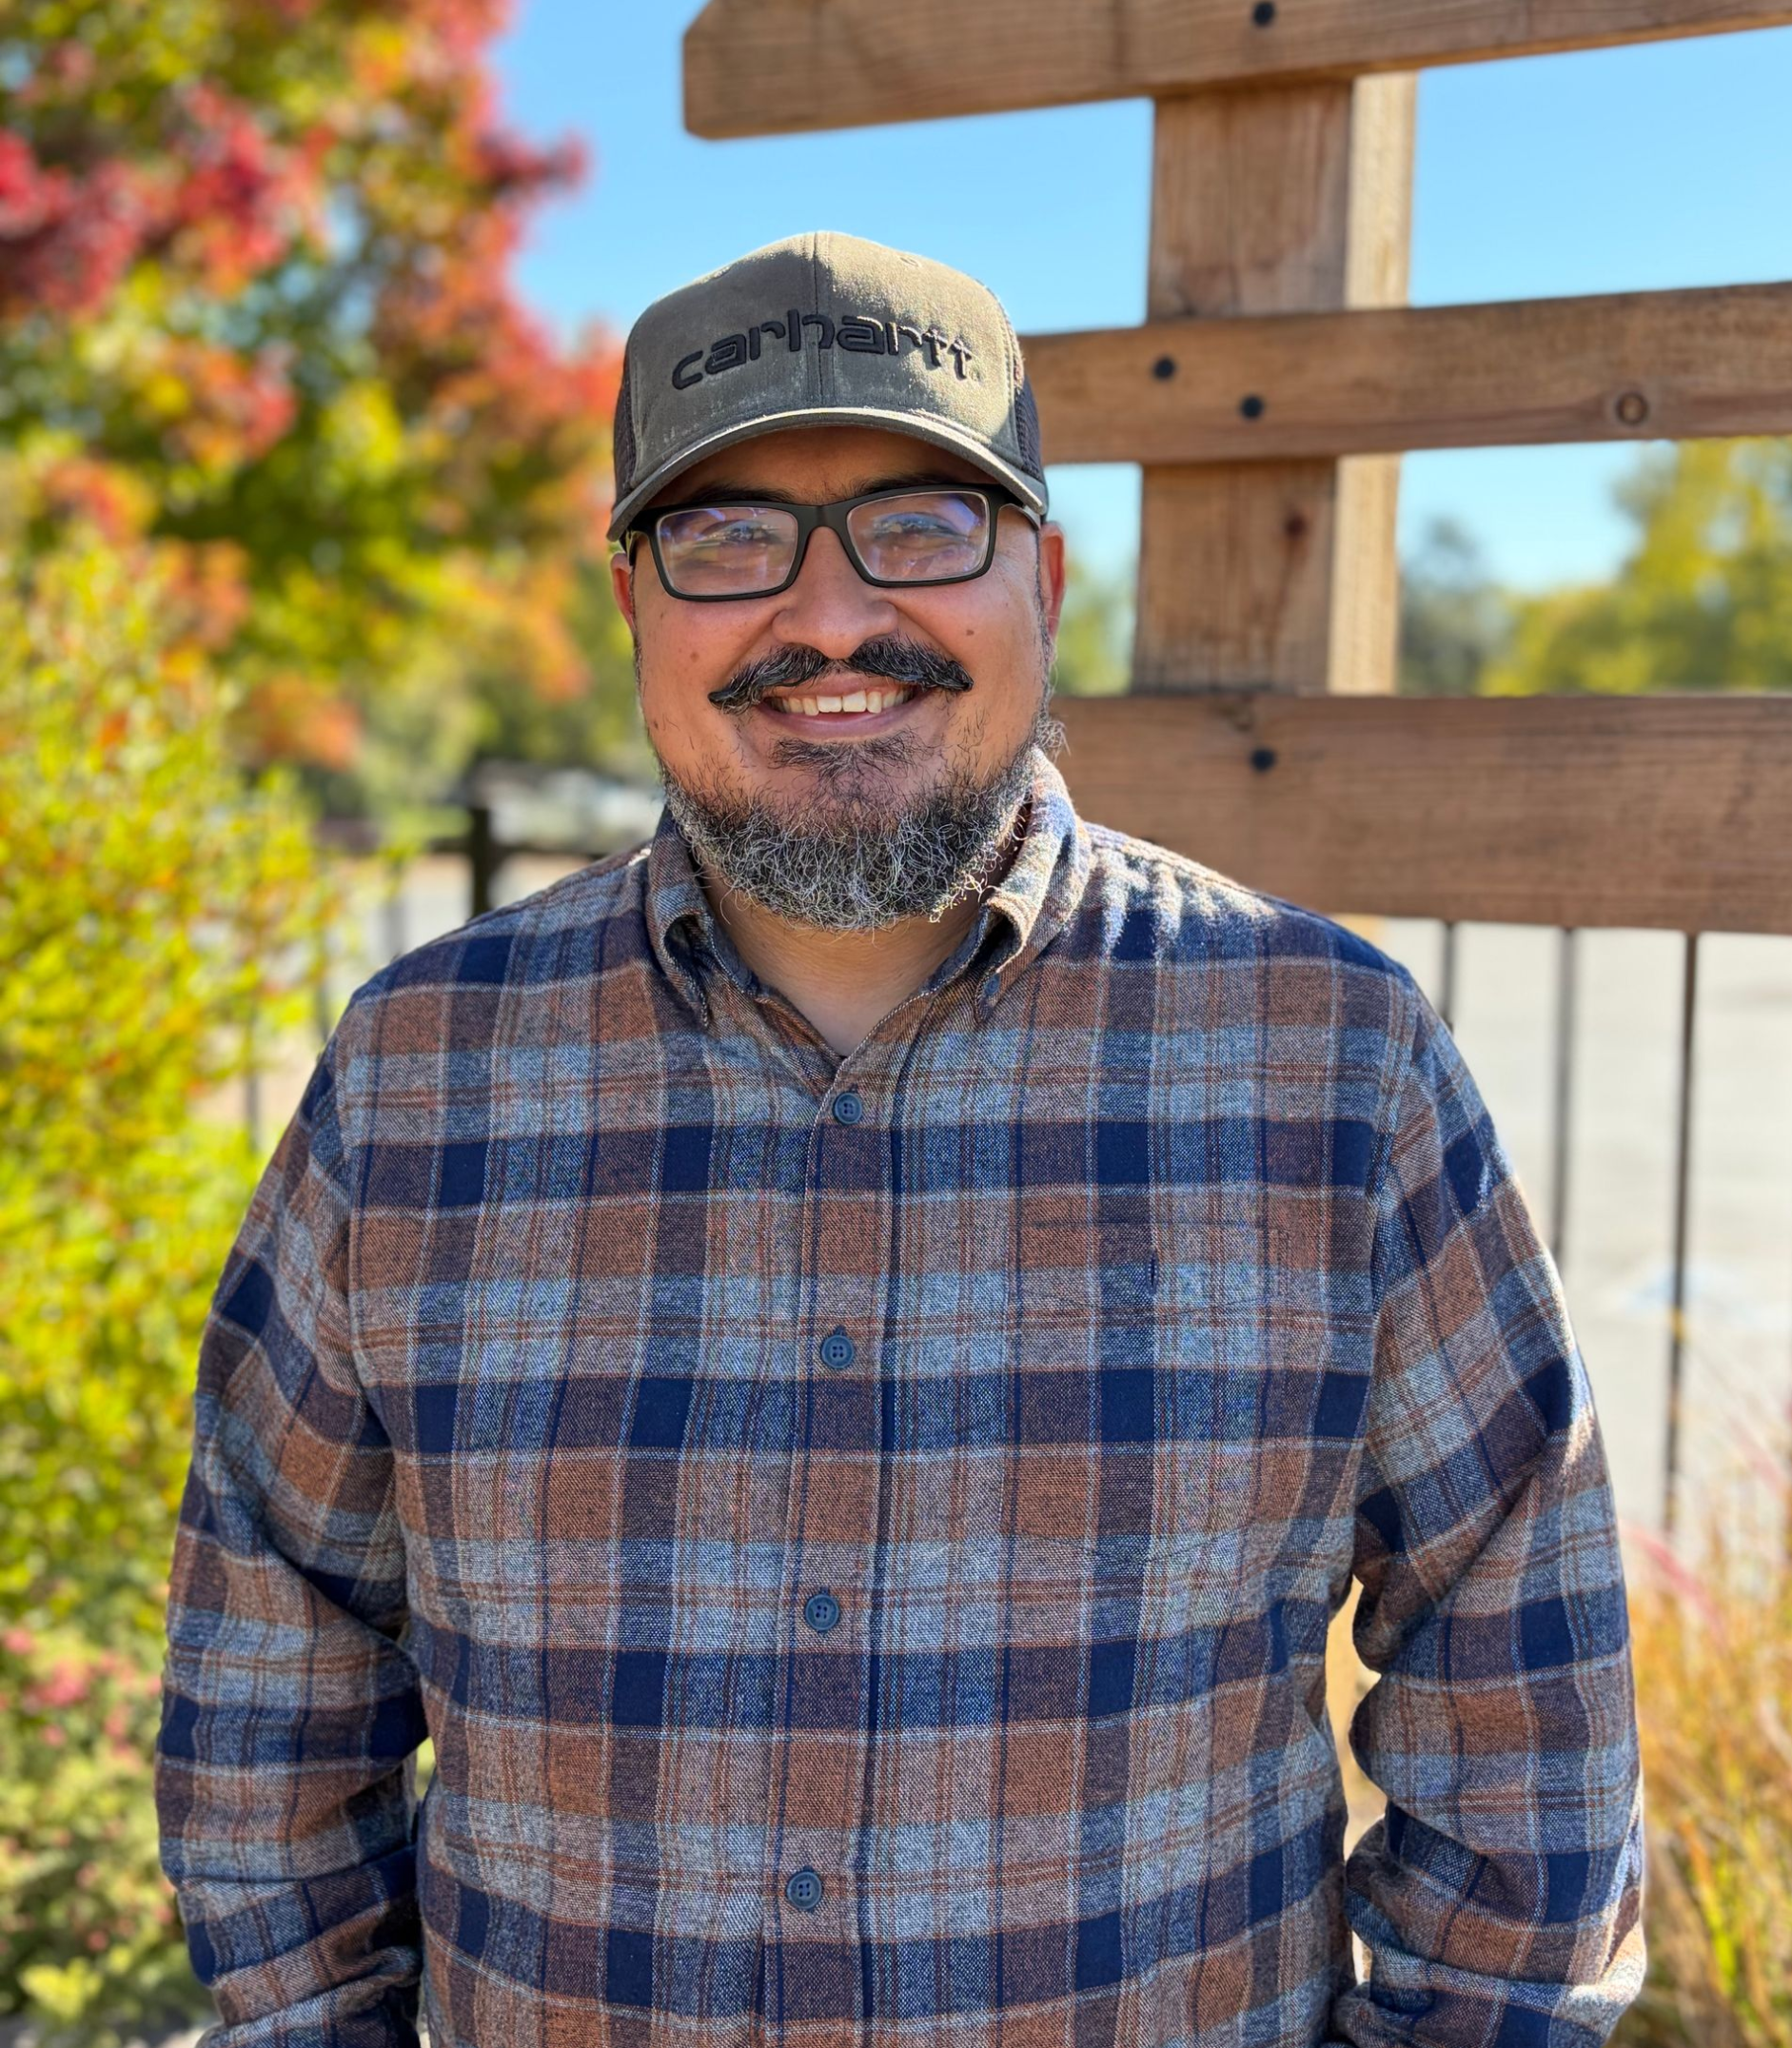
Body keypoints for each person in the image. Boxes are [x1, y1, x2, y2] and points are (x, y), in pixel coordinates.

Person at [155, 230, 1645, 2048]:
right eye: (725, 539)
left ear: (1044, 576)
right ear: (633, 599)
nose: (826, 612)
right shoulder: (420, 1077)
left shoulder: (1330, 1070)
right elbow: (269, 1666)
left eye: (920, 526)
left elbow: (1523, 1708)